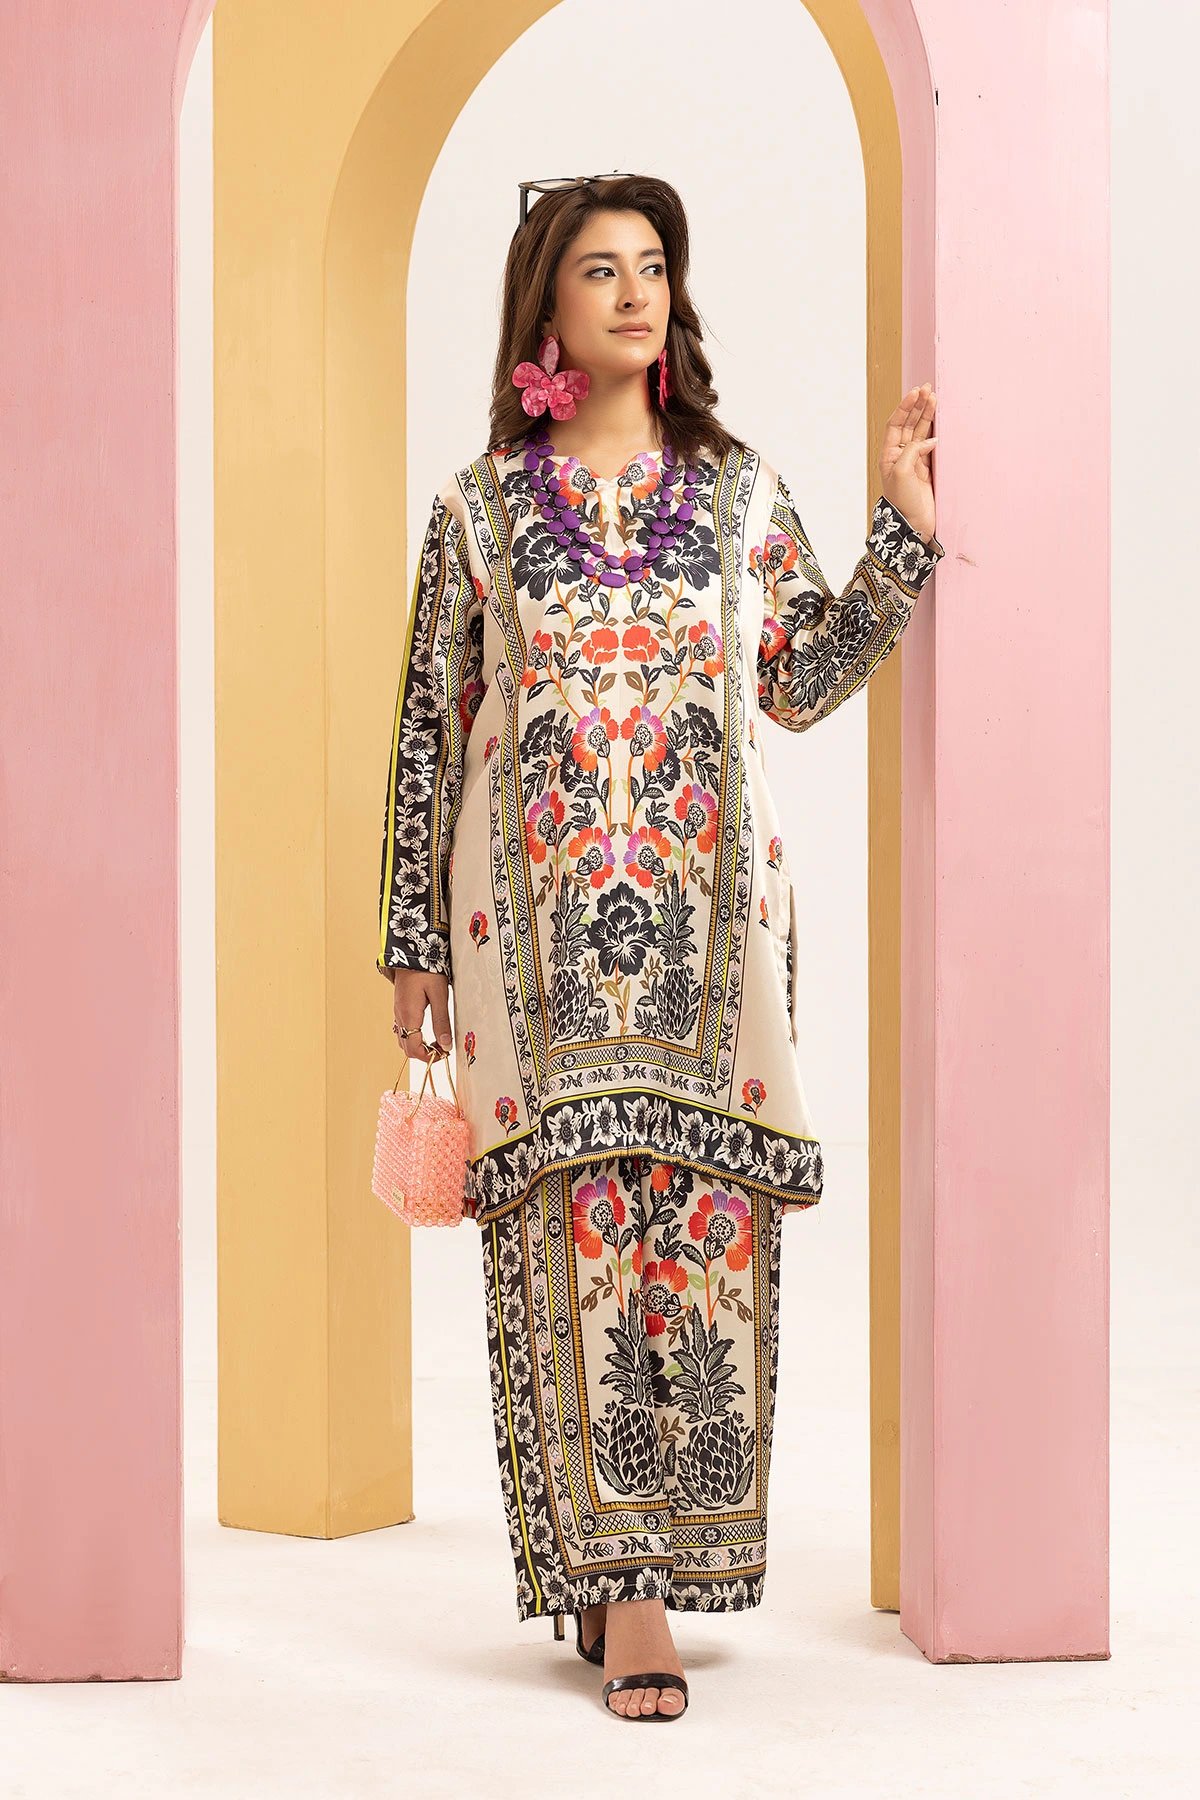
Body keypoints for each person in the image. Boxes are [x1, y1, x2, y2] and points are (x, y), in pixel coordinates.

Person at [376, 172, 943, 1721]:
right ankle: (617, 1587)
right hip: (526, 936)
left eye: (653, 267)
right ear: (544, 310)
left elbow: (802, 678)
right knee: (564, 1231)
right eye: (600, 271)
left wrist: (901, 535)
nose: (636, 293)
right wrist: (411, 937)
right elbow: (430, 730)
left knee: (698, 1236)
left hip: (711, 936)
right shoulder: (479, 511)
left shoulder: (741, 494)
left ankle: (643, 1565)